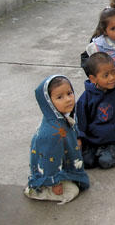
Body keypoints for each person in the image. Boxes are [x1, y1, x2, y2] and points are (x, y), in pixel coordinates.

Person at [24, 75, 89, 204]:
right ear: (48, 102)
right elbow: (49, 160)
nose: (68, 100)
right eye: (60, 97)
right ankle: (39, 190)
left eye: (69, 93)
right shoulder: (52, 133)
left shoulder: (60, 116)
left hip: (61, 160)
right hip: (49, 170)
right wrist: (55, 182)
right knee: (73, 191)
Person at [76, 52, 115, 169]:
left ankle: (109, 152)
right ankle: (95, 152)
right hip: (91, 140)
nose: (112, 78)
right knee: (86, 162)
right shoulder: (86, 97)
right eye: (106, 75)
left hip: (112, 139)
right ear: (92, 79)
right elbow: (80, 118)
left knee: (105, 162)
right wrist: (79, 137)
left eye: (114, 72)